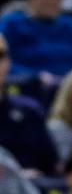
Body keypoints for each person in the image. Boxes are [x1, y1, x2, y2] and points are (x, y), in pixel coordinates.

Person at [0, 35, 58, 176]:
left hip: (31, 189)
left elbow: (50, 163)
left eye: (0, 56)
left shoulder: (29, 110)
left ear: (8, 61)